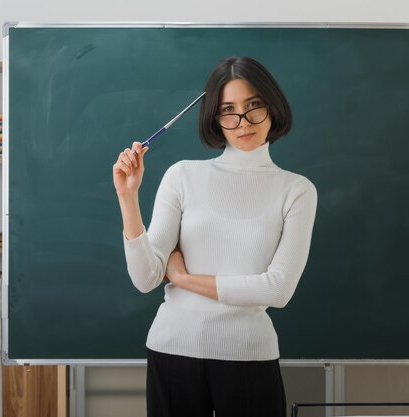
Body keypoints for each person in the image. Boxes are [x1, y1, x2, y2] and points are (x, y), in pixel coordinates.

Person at [112, 56, 317, 417]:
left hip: (250, 357)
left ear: (273, 106)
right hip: (172, 352)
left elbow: (278, 289)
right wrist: (128, 198)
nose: (243, 122)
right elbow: (145, 278)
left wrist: (182, 278)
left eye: (253, 106)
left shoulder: (296, 190)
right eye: (228, 110)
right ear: (215, 118)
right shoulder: (182, 176)